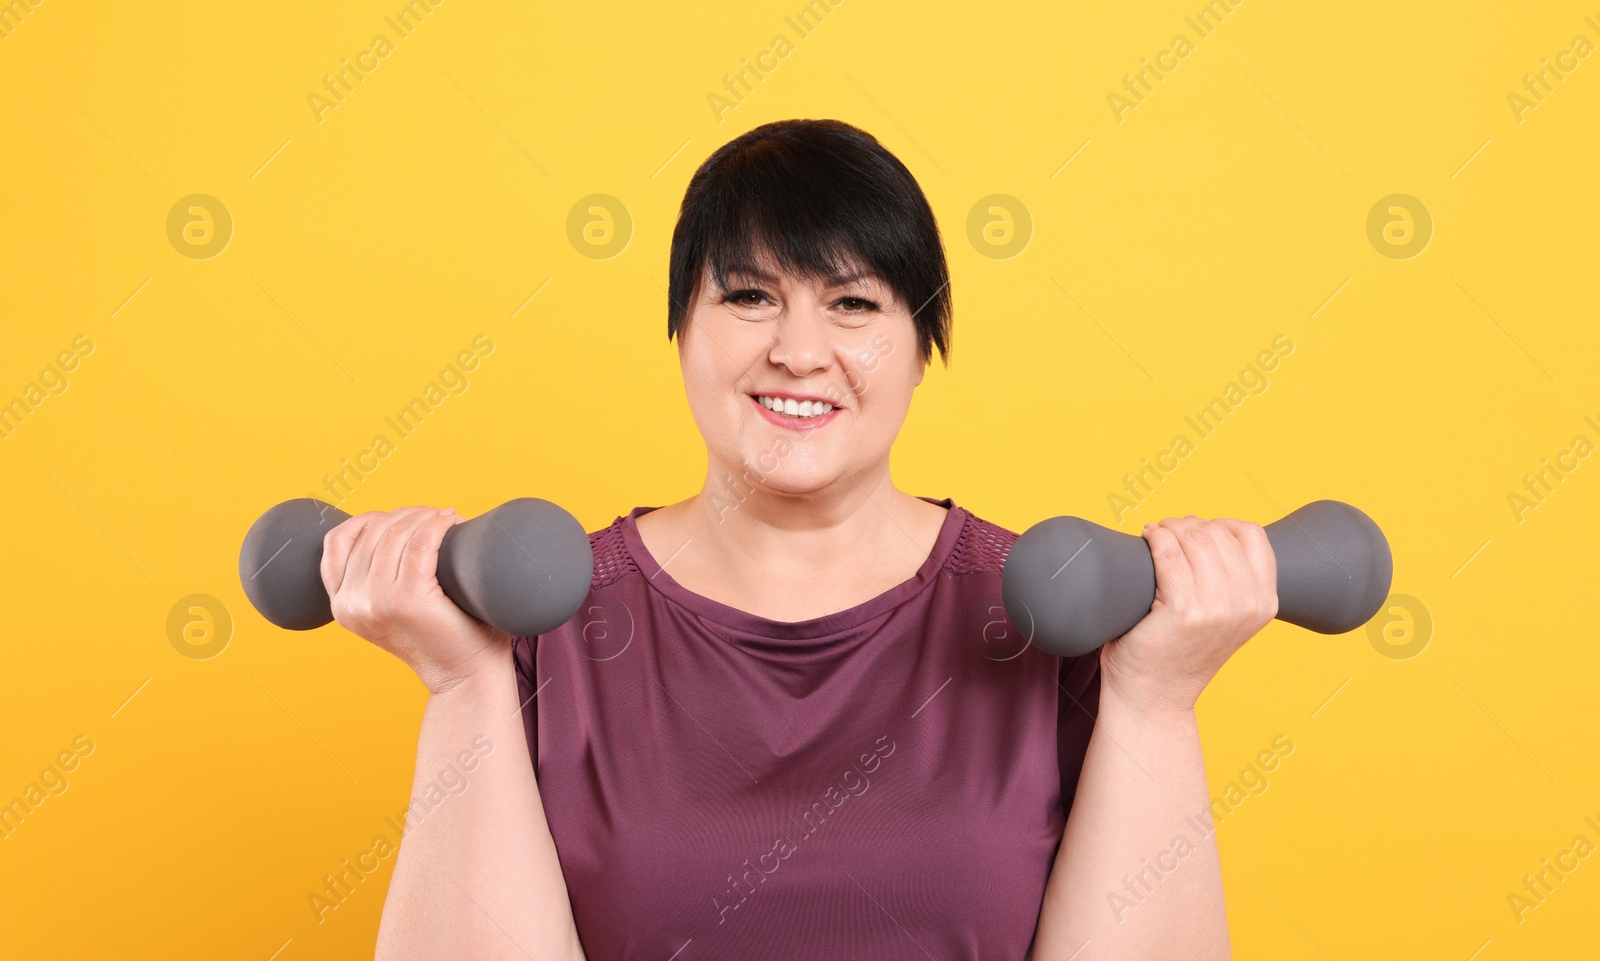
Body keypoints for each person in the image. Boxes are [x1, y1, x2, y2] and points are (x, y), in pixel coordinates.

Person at [318, 118, 1278, 960]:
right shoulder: (542, 631)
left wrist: (1157, 701)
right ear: (681, 330)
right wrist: (460, 683)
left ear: (922, 344)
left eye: (854, 304)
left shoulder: (1057, 625)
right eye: (748, 296)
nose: (800, 351)